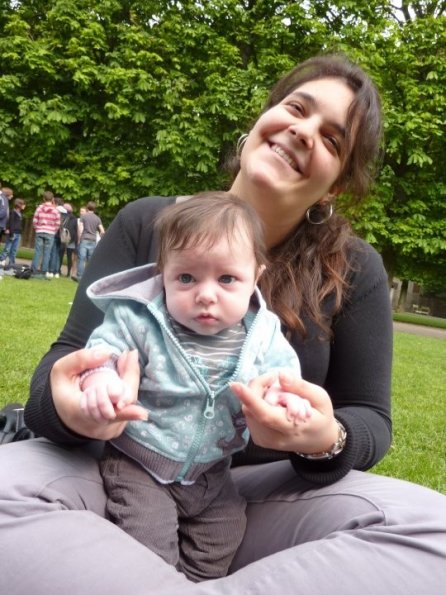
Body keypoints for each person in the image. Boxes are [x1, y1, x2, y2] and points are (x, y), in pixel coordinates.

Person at [1, 54, 446, 594]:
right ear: (261, 120)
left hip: (256, 496)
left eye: (332, 139)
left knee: (434, 530)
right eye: (296, 108)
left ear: (335, 187)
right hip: (119, 471)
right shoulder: (148, 222)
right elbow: (64, 363)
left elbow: (370, 418)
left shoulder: (354, 268)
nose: (303, 131)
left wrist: (325, 438)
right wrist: (75, 407)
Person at [80, 192, 306, 581]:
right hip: (140, 461)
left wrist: (284, 397)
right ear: (163, 274)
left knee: (225, 532)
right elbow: (104, 349)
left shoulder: (262, 332)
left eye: (227, 279)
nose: (205, 294)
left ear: (256, 277)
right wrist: (102, 377)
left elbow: (281, 375)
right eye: (186, 278)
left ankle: (197, 584)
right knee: (148, 536)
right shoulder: (140, 319)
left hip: (212, 473)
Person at [30, 190, 60, 278]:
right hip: (50, 232)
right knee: (47, 253)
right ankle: (43, 271)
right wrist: (53, 231)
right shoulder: (55, 210)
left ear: (43, 199)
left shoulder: (39, 208)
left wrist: (37, 229)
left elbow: (35, 220)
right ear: (52, 199)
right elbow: (57, 223)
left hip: (40, 231)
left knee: (38, 251)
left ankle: (34, 270)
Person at [75, 201, 105, 280]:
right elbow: (102, 231)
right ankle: (89, 277)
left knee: (82, 258)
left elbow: (80, 229)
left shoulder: (84, 216)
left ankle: (79, 276)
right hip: (93, 240)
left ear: (87, 207)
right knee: (90, 260)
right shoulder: (97, 218)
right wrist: (99, 238)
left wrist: (79, 239)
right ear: (94, 209)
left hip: (84, 239)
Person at [0, 198, 26, 268]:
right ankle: (2, 260)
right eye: (23, 204)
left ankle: (12, 262)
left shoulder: (20, 214)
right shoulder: (12, 212)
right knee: (7, 248)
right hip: (12, 233)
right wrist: (11, 234)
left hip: (18, 233)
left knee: (14, 249)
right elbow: (10, 223)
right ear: (19, 205)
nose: (25, 206)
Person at [48, 198, 67, 278]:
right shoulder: (66, 212)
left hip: (55, 232)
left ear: (56, 203)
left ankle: (51, 271)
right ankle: (56, 271)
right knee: (58, 254)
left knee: (53, 252)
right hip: (62, 234)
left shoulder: (55, 211)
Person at [58, 203, 79, 278]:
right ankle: (68, 273)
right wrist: (75, 240)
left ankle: (58, 270)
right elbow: (76, 230)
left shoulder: (63, 217)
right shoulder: (75, 219)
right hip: (71, 240)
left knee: (60, 255)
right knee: (69, 257)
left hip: (63, 238)